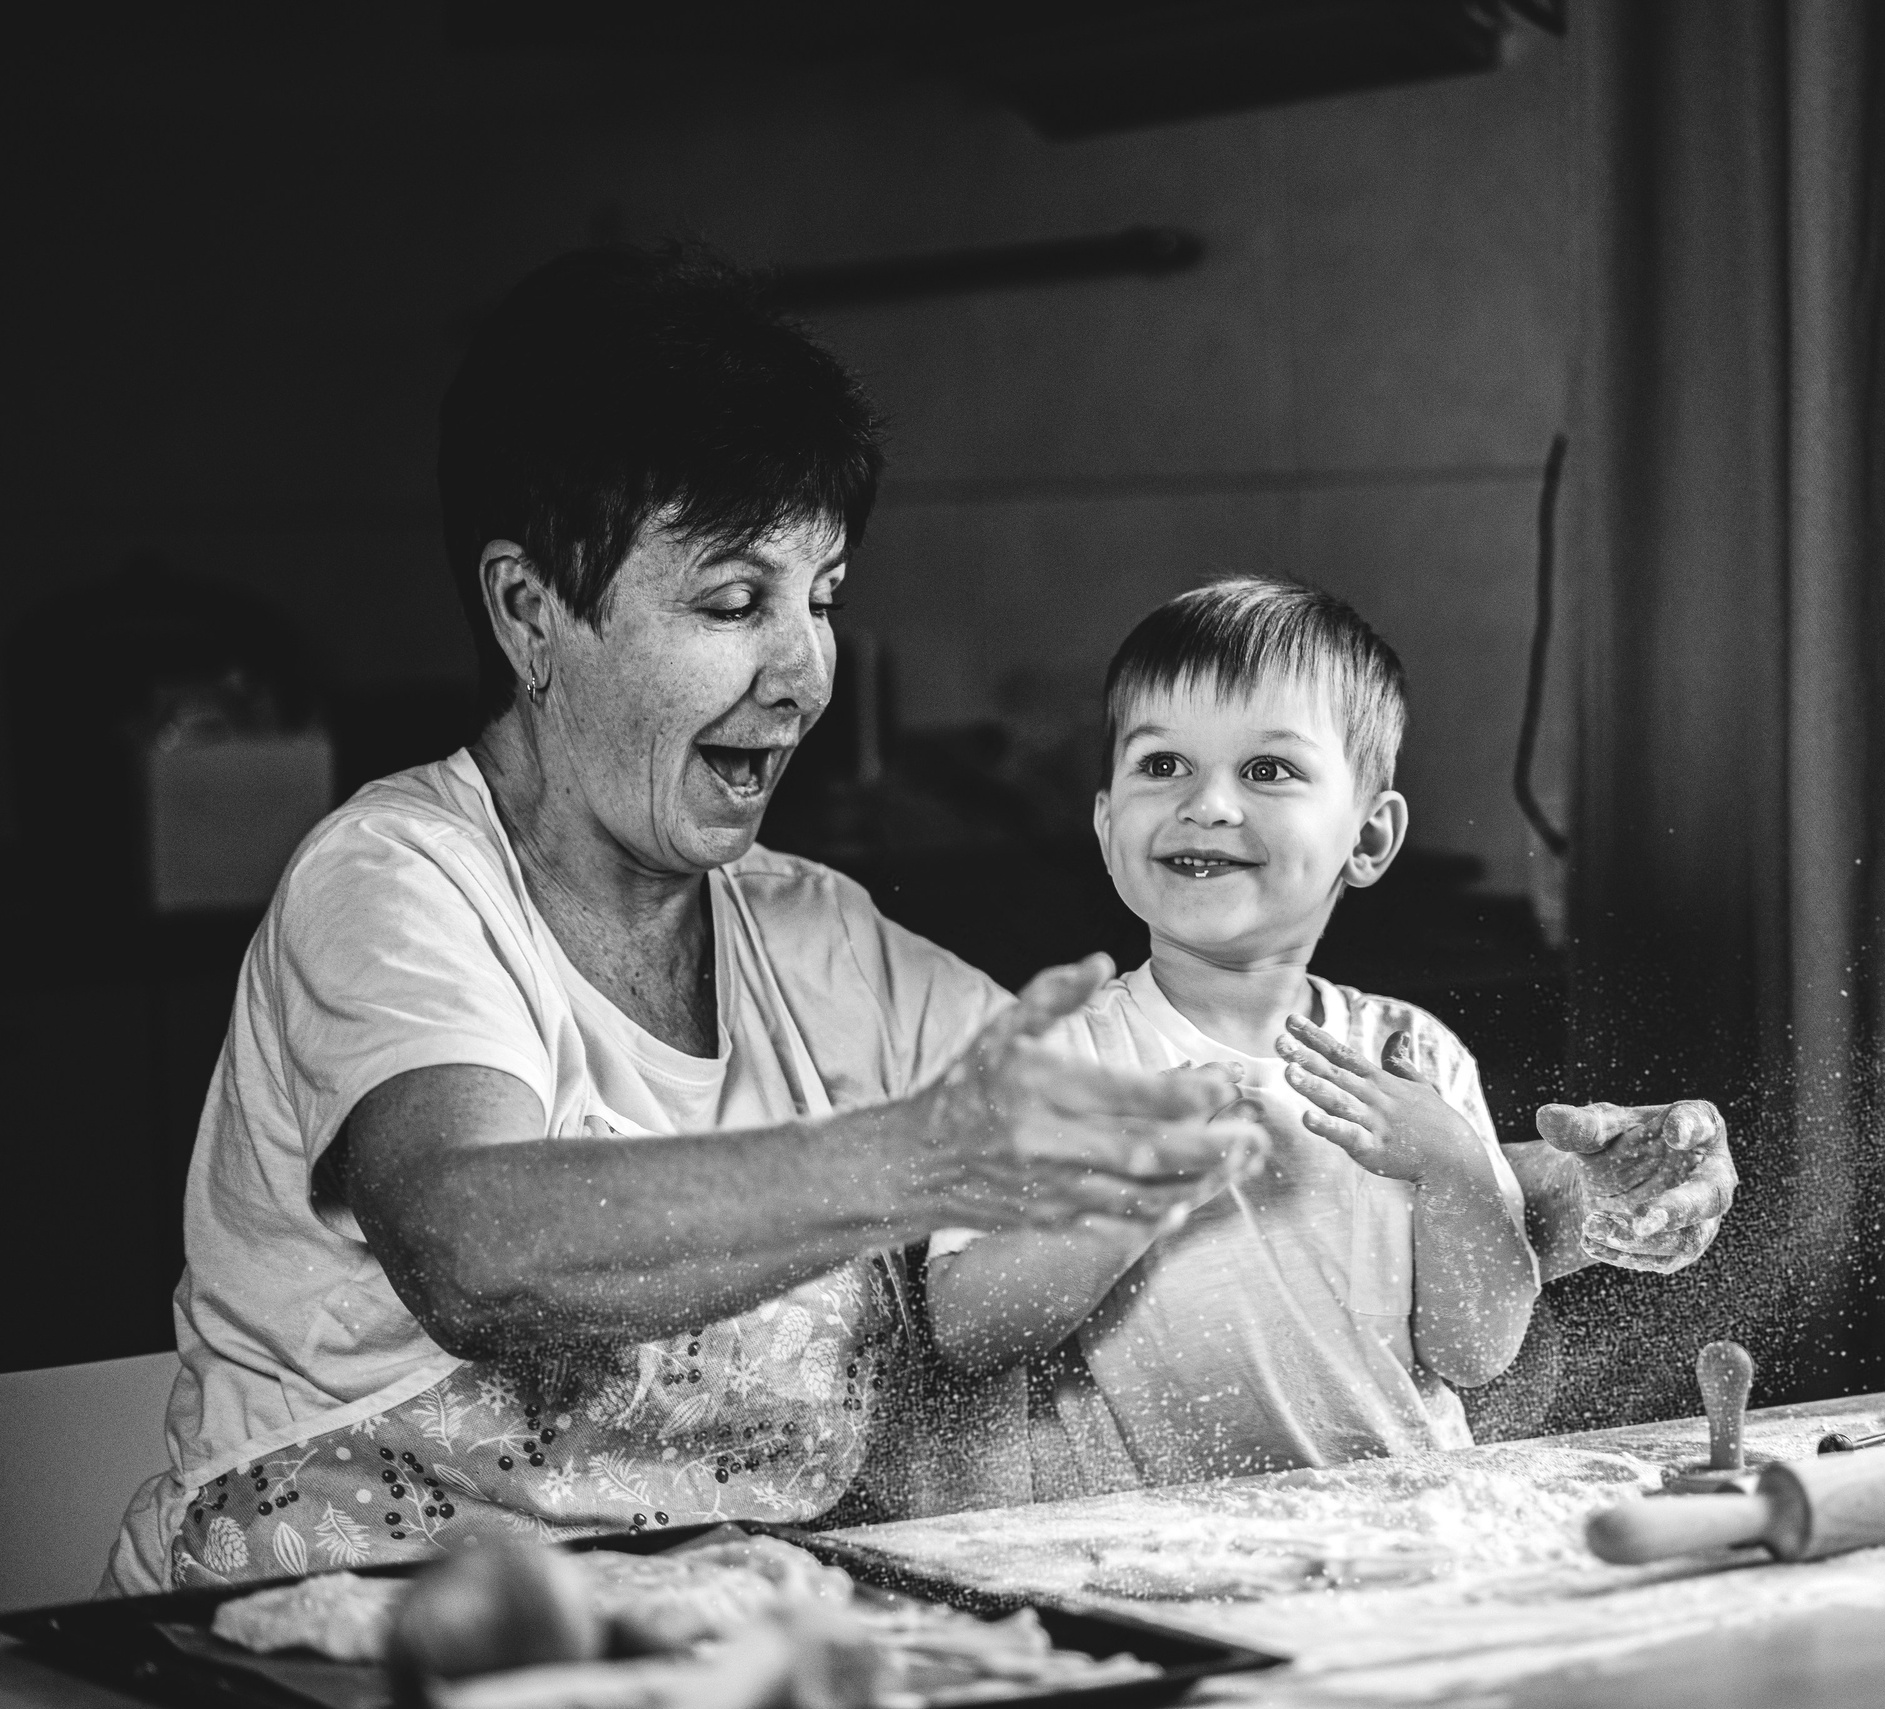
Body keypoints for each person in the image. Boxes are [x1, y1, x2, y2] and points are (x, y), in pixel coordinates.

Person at [101, 243, 1735, 1594]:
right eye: (734, 600)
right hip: (328, 1633)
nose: (803, 666)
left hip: (712, 1634)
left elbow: (1162, 1124)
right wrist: (922, 1158)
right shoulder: (396, 881)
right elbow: (474, 1242)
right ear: (533, 609)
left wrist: (1545, 1187)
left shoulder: (815, 936)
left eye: (821, 595)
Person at [922, 580, 1540, 1496]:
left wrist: (1453, 1168)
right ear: (1104, 824)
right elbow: (966, 1329)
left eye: (1268, 770)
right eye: (1163, 765)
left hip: (1402, 1547)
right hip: (1151, 1571)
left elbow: (1477, 1350)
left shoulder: (1419, 1060)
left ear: (1368, 838)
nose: (1207, 804)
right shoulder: (1050, 1060)